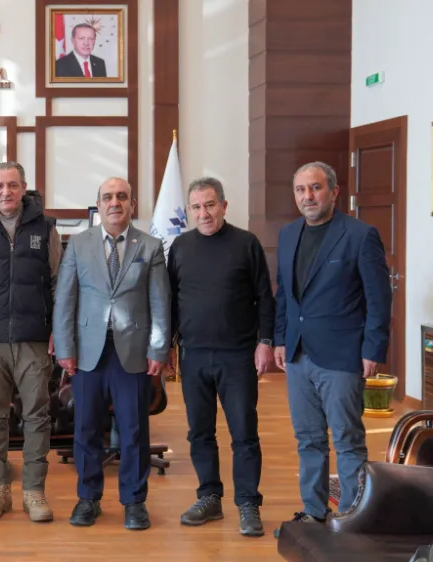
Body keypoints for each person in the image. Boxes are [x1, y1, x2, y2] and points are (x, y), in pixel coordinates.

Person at [273, 161, 391, 529]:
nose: (308, 196)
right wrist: (280, 339)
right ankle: (314, 512)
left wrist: (374, 348)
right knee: (308, 439)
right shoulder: (288, 234)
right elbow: (285, 295)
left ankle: (354, 519)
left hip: (342, 355)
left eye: (316, 187)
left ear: (334, 192)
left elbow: (379, 298)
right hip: (297, 354)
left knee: (347, 440)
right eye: (300, 189)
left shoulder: (360, 235)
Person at [53, 177, 171, 530]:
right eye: (108, 197)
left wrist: (158, 348)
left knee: (134, 430)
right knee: (86, 428)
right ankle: (88, 499)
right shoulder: (79, 244)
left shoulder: (150, 245)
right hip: (88, 353)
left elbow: (159, 302)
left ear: (132, 204)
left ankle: (134, 502)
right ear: (99, 204)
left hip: (133, 352)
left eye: (122, 197)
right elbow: (65, 299)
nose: (115, 202)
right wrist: (65, 347)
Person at [167, 177, 274, 537]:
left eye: (210, 205)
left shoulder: (246, 243)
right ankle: (209, 497)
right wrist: (169, 347)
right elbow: (171, 301)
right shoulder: (180, 247)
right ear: (189, 211)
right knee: (200, 432)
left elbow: (265, 297)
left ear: (224, 206)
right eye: (196, 207)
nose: (204, 213)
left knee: (244, 433)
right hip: (193, 355)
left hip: (237, 356)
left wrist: (265, 341)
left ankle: (248, 503)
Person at [0, 162, 61, 522]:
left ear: (24, 188)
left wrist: (56, 329)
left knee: (36, 415)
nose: (5, 192)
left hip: (34, 339)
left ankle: (34, 492)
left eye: (12, 185)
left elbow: (58, 282)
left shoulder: (46, 227)